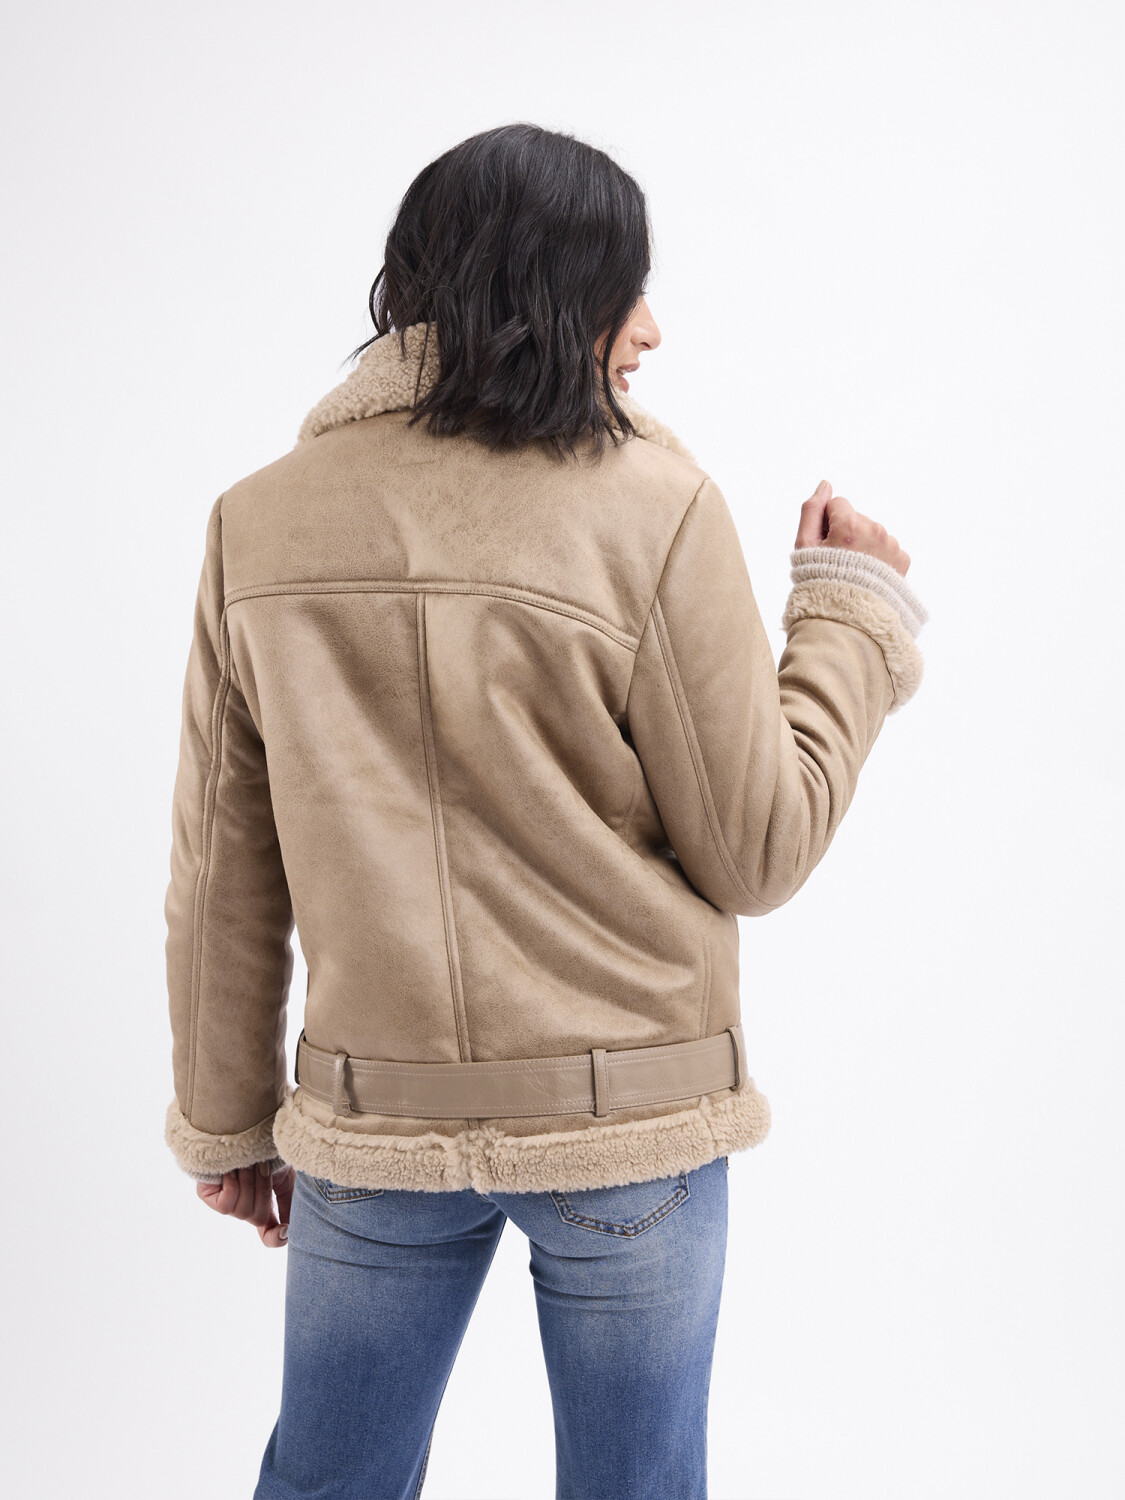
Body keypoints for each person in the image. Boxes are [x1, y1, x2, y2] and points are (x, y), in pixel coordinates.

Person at [162, 122, 928, 1500]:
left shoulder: (258, 522)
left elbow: (224, 872)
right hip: (631, 1124)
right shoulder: (656, 507)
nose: (651, 329)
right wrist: (846, 618)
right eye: (627, 288)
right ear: (554, 287)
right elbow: (758, 850)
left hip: (373, 1120)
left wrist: (225, 1124)